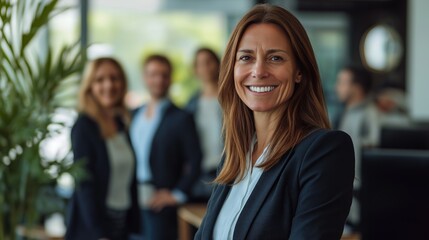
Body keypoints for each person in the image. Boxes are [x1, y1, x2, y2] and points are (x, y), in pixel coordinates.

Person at [195, 4, 355, 240]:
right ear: (232, 68)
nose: (258, 71)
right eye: (246, 57)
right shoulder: (234, 156)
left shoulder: (324, 152)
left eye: (275, 58)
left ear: (299, 71)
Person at [65, 57, 140, 240]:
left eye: (114, 78)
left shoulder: (120, 123)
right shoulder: (84, 126)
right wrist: (98, 234)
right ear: (90, 86)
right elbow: (84, 184)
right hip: (93, 227)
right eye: (100, 80)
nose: (109, 85)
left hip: (121, 221)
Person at [130, 54, 202, 240]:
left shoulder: (181, 117)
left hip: (160, 202)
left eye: (164, 75)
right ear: (145, 77)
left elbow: (195, 160)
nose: (159, 80)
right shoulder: (133, 114)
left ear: (170, 78)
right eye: (153, 74)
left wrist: (177, 194)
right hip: (131, 201)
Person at [334, 66, 380, 232]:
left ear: (356, 87)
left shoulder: (370, 113)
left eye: (342, 82)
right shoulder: (346, 112)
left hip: (360, 195)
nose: (336, 87)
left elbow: (372, 148)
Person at [186, 47, 223, 201]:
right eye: (201, 63)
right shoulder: (191, 104)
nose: (206, 67)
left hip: (228, 167)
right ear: (195, 69)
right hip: (201, 172)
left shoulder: (232, 99)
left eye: (210, 62)